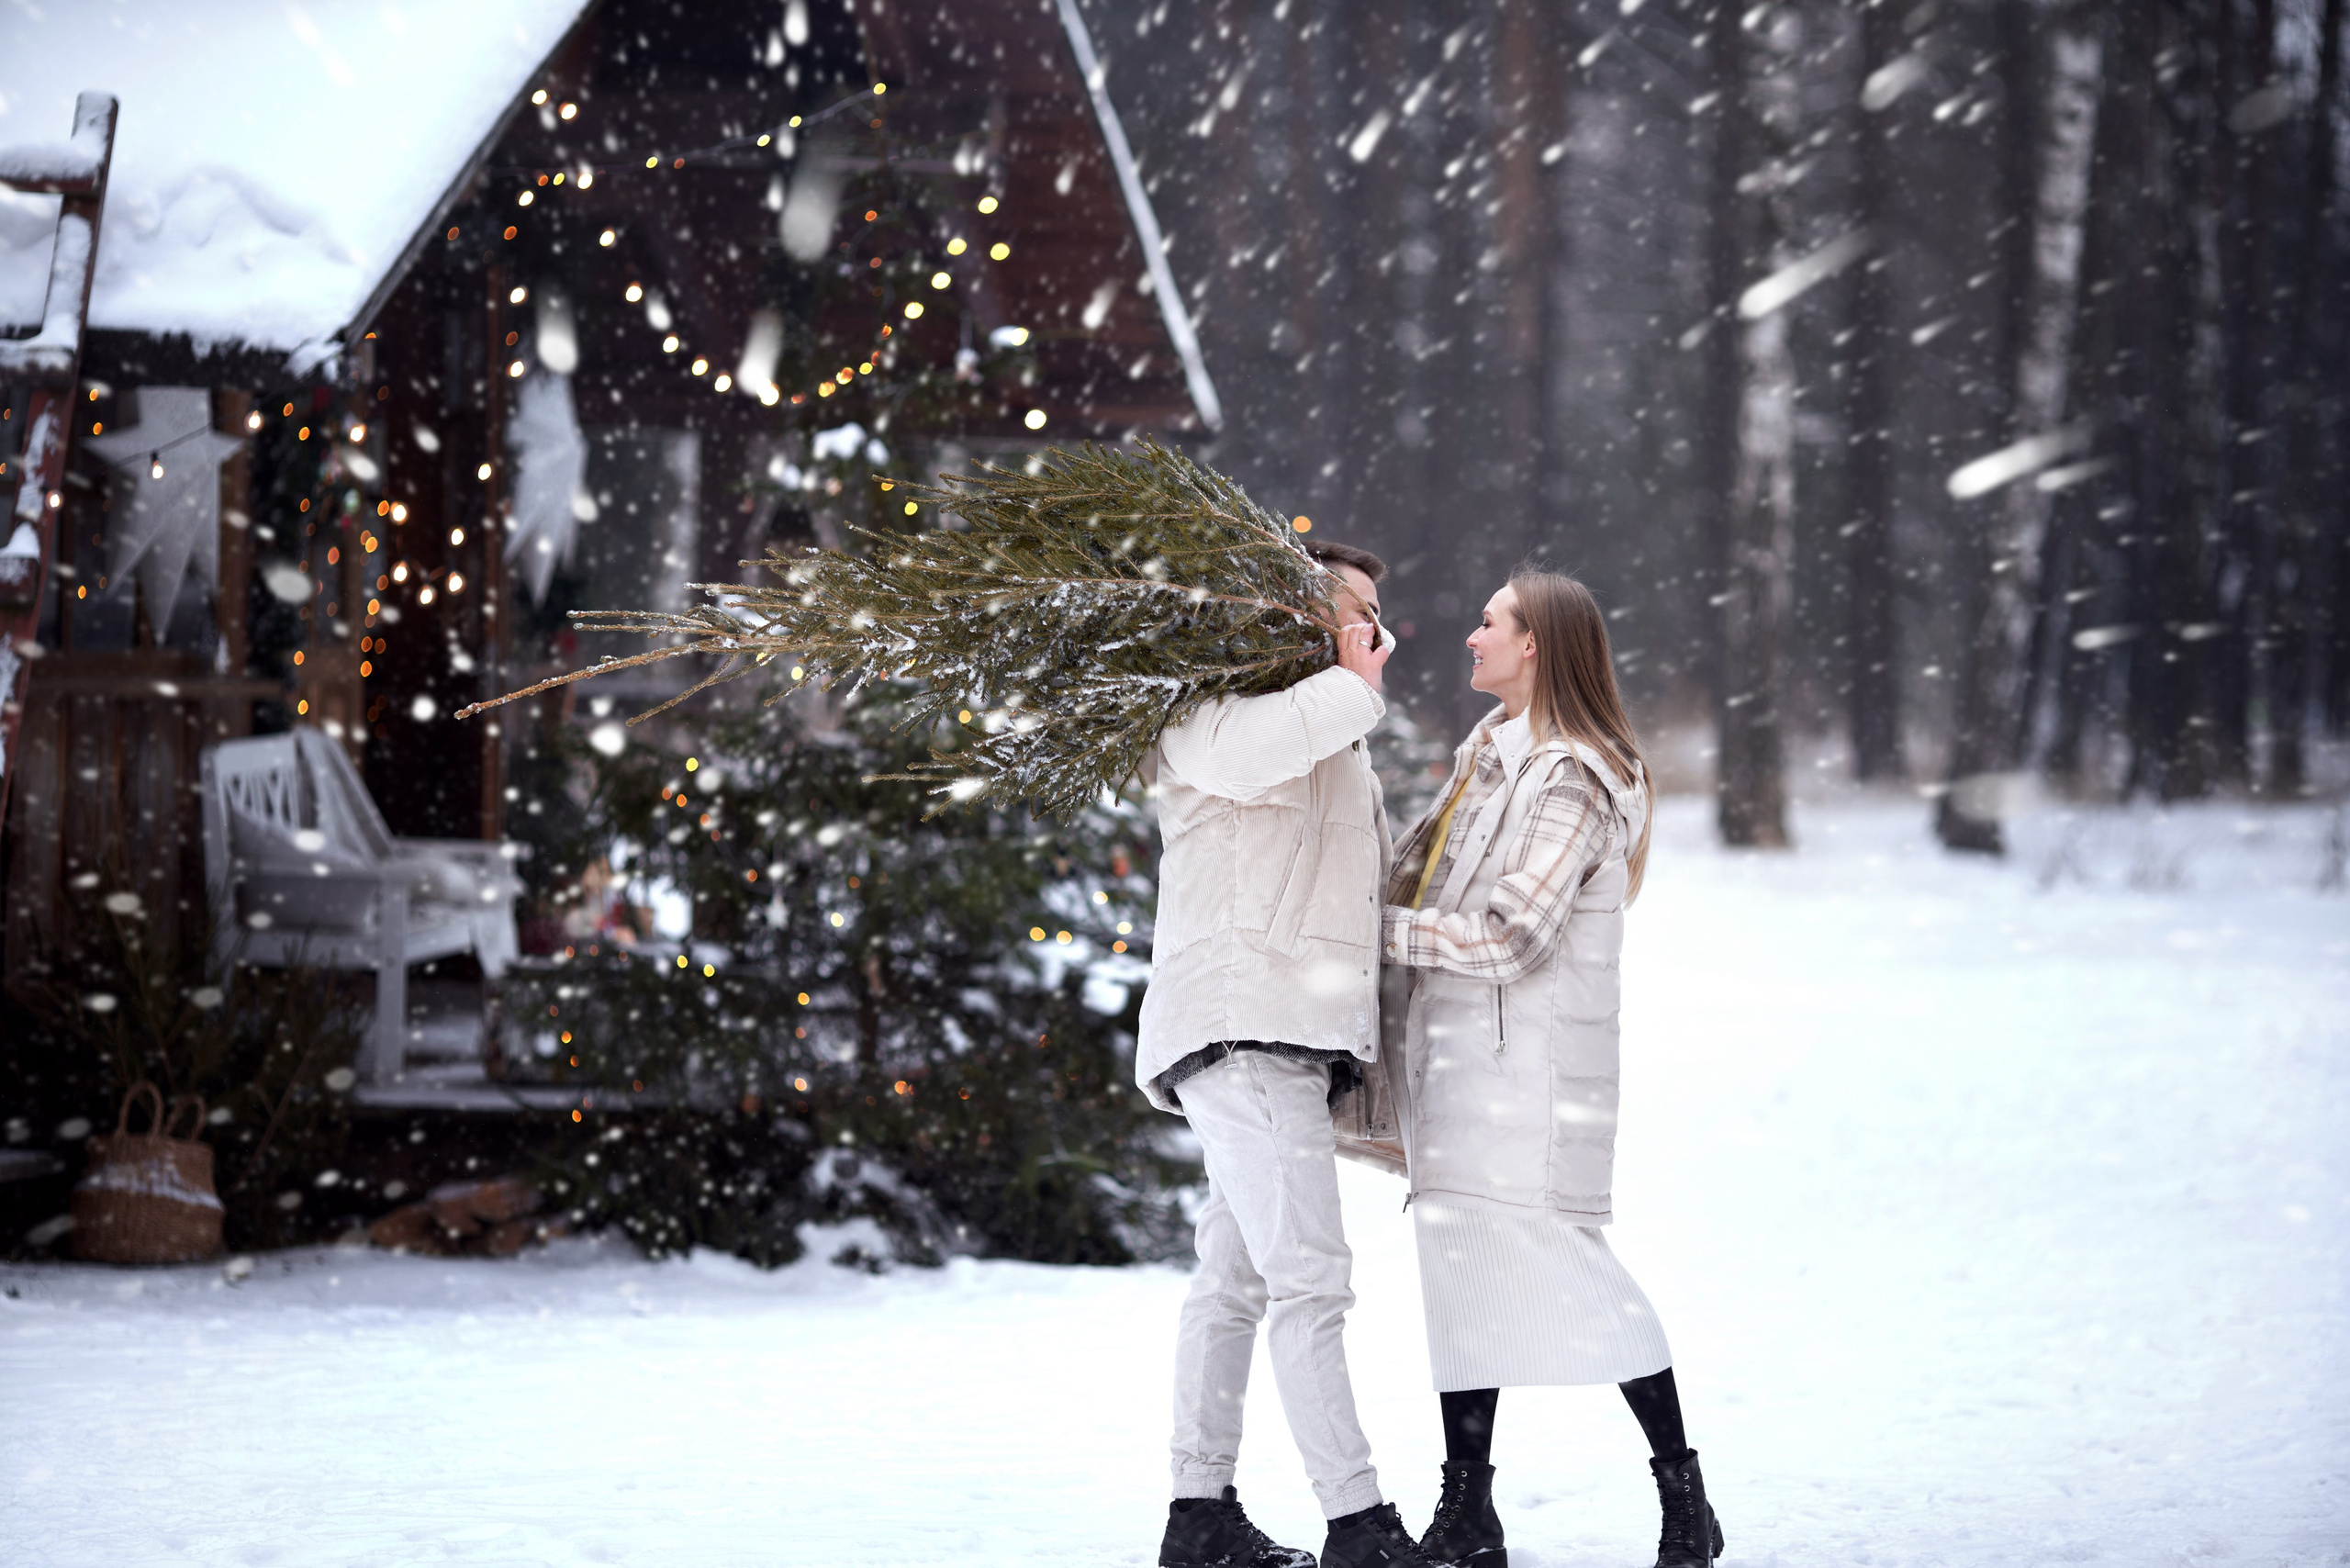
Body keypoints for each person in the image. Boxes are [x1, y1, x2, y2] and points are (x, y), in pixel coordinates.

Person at [1379, 570, 1725, 1568]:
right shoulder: (1490, 756)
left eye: (1490, 622)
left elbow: (1511, 938)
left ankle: (1684, 1498)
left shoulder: (1568, 772)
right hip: (1456, 1064)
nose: (1472, 636)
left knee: (1578, 1276)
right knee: (1457, 1281)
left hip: (1522, 1078)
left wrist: (1369, 930)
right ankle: (1467, 1510)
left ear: (1535, 645)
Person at [1145, 541, 1438, 1568]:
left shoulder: (1327, 731)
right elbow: (1239, 757)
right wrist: (1352, 685)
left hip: (1286, 1040)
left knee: (1233, 1278)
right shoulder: (1206, 711)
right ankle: (1357, 1521)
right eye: (1357, 616)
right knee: (1311, 1280)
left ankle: (1198, 1514)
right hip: (1241, 1025)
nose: (1375, 641)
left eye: (1375, 623)